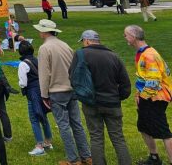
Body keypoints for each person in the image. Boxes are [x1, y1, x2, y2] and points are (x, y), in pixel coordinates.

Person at [34, 18, 91, 165]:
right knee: (77, 124)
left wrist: (44, 94)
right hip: (71, 89)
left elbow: (44, 74)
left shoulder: (44, 48)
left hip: (57, 91)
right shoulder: (64, 45)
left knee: (64, 126)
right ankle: (86, 156)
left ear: (44, 32)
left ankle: (73, 159)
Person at [74, 29, 131, 165]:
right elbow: (125, 84)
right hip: (112, 103)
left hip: (90, 103)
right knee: (118, 138)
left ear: (86, 40)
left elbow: (73, 78)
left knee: (96, 138)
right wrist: (118, 97)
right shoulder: (114, 56)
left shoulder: (81, 54)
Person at [124, 25, 172, 165]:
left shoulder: (148, 55)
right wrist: (139, 95)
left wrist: (143, 98)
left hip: (155, 97)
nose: (125, 37)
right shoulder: (142, 52)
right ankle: (154, 157)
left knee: (163, 131)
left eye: (126, 35)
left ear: (133, 37)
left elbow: (154, 82)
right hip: (148, 96)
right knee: (143, 126)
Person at [18, 39, 54, 156]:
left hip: (32, 93)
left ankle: (39, 146)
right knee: (43, 116)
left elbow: (23, 82)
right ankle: (48, 142)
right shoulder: (38, 60)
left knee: (34, 119)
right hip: (42, 90)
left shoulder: (23, 64)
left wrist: (21, 86)